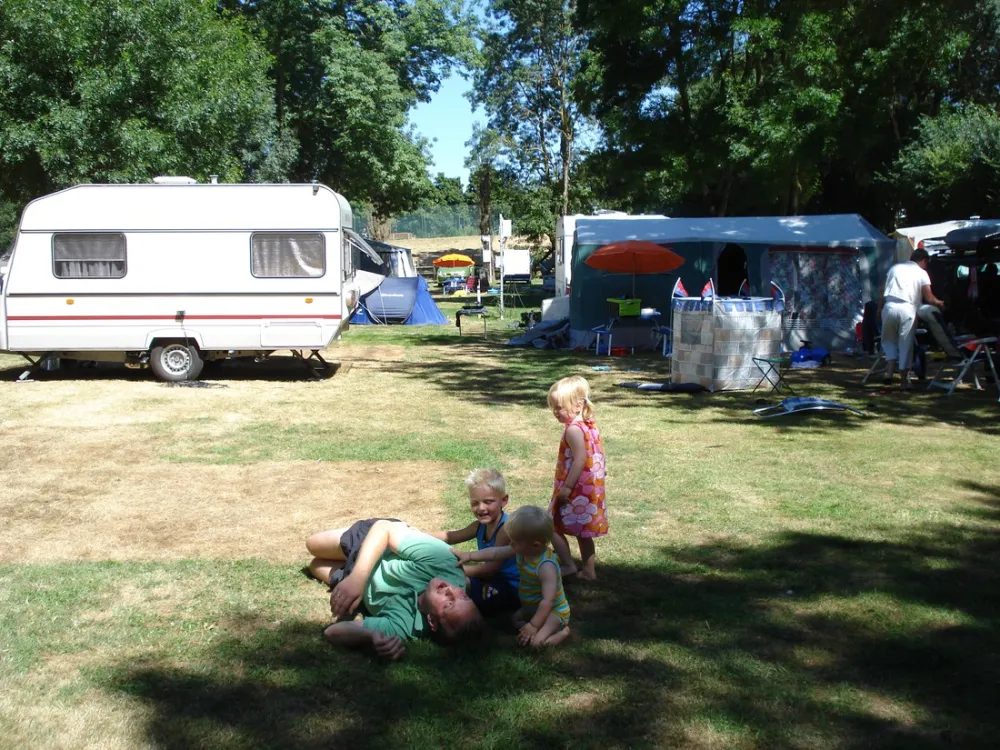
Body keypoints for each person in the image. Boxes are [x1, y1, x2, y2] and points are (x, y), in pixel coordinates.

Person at [305, 519, 484, 660]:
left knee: (315, 566)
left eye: (449, 605)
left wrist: (371, 635)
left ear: (431, 622)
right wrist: (357, 580)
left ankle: (350, 571)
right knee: (313, 544)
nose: (452, 591)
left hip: (361, 583)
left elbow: (332, 632)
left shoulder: (406, 626)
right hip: (376, 545)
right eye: (465, 598)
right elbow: (383, 529)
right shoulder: (446, 562)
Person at [454, 505, 571, 648]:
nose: (511, 544)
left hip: (554, 611)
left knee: (535, 644)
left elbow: (548, 600)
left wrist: (534, 626)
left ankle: (563, 632)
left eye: (514, 542)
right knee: (514, 622)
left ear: (535, 545)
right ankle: (537, 627)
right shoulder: (522, 550)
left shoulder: (546, 567)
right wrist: (470, 555)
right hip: (531, 606)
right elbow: (495, 553)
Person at [428, 468, 521, 616]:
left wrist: (454, 571)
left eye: (488, 502)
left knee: (460, 585)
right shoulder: (479, 526)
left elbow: (491, 569)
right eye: (475, 503)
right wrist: (418, 535)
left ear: (504, 500)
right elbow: (451, 536)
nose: (481, 508)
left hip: (512, 587)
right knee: (458, 584)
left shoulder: (505, 528)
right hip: (492, 580)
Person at [546, 375, 608, 580]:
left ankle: (568, 565)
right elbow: (598, 452)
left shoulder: (573, 430)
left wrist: (566, 488)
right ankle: (589, 571)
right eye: (553, 407)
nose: (555, 412)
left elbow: (580, 459)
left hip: (575, 488)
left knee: (550, 525)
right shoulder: (590, 425)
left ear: (578, 405)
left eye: (559, 407)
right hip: (590, 488)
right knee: (584, 531)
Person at [878, 248, 946, 389]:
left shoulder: (895, 268)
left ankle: (889, 372)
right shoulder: (922, 273)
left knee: (888, 339)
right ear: (923, 261)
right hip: (907, 308)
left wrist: (879, 309)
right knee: (906, 343)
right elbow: (929, 297)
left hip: (889, 306)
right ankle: (904, 380)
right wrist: (940, 303)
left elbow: (881, 289)